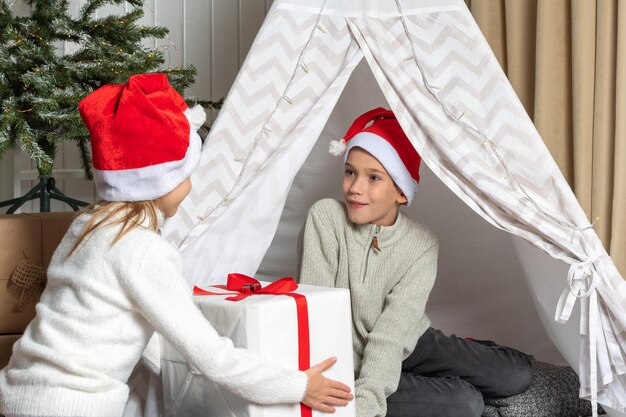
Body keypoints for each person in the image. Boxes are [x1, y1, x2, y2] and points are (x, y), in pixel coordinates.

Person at [0, 73, 353, 417]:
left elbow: (131, 331)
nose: (190, 185)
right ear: (160, 181)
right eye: (186, 174)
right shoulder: (143, 250)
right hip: (75, 408)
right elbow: (212, 356)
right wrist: (298, 386)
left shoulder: (86, 225)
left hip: (16, 392)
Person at [298, 107, 532, 417]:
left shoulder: (421, 244)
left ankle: (470, 350)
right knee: (466, 404)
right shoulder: (325, 218)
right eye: (350, 171)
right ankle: (405, 380)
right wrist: (362, 403)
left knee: (516, 376)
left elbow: (391, 336)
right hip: (349, 362)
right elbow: (319, 320)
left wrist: (365, 405)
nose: (355, 187)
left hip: (407, 339)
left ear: (401, 192)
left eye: (374, 178)